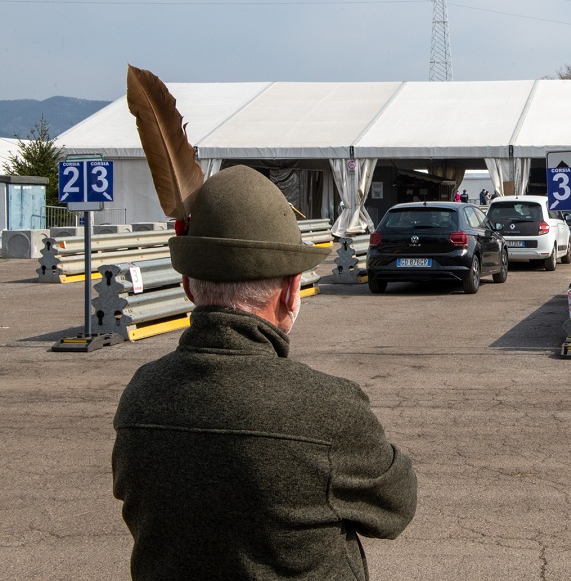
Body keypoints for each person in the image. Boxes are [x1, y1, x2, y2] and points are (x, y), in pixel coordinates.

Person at [112, 166, 417, 580]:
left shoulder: (141, 394)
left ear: (187, 286)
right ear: (291, 292)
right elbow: (395, 508)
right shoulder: (328, 407)